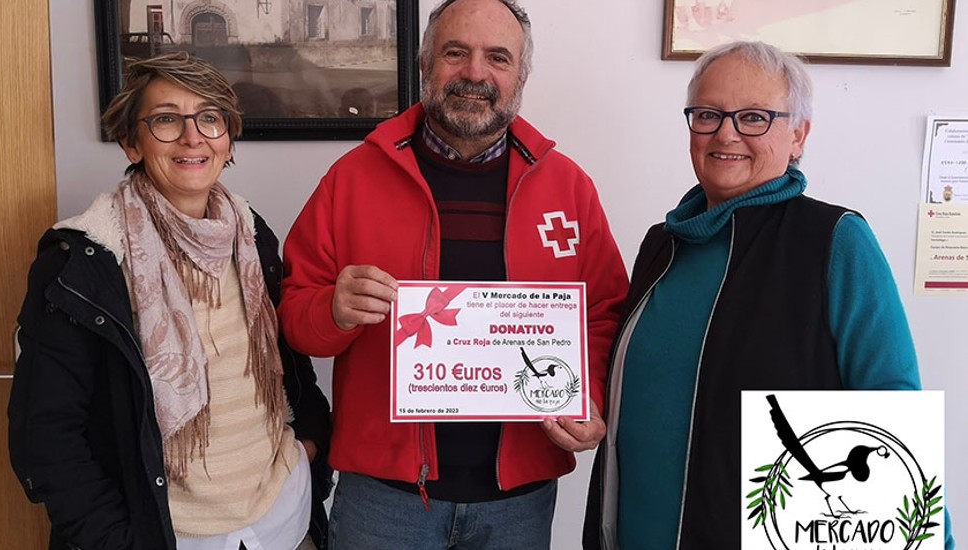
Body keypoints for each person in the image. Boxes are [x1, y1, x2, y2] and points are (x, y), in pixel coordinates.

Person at [278, 0, 628, 548]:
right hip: (384, 498)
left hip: (518, 499)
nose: (475, 73)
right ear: (425, 65)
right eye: (456, 52)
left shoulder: (568, 187)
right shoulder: (352, 180)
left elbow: (604, 314)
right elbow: (296, 318)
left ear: (521, 75)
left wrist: (594, 398)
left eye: (498, 57)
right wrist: (333, 311)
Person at [583, 41, 955, 549]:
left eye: (754, 117)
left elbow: (891, 403)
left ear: (798, 135)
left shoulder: (834, 240)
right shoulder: (662, 243)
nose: (726, 133)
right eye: (708, 114)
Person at [8, 52, 332, 550]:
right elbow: (47, 434)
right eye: (165, 120)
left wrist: (312, 446)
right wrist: (118, 540)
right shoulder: (84, 262)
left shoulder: (251, 234)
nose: (192, 137)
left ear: (228, 139)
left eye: (209, 117)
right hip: (168, 534)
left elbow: (288, 363)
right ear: (130, 142)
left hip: (280, 517)